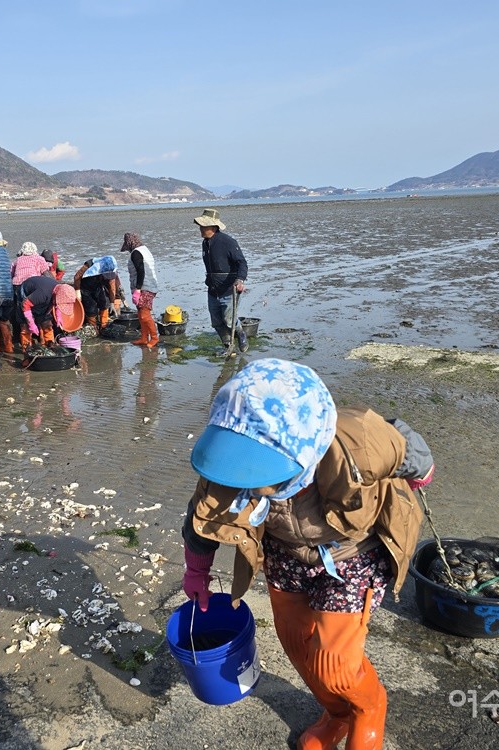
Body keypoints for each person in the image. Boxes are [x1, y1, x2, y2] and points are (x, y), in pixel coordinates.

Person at [181, 359, 434, 750]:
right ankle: (335, 714)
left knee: (334, 664)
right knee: (296, 643)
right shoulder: (229, 462)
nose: (243, 475)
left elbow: (407, 446)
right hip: (284, 552)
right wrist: (196, 573)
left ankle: (369, 710)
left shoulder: (359, 444)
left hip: (353, 553)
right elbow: (201, 513)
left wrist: (420, 472)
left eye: (258, 467)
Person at [194, 208, 249, 352]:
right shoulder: (205, 243)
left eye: (202, 226)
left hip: (228, 289)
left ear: (212, 227)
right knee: (216, 322)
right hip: (213, 289)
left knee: (229, 321)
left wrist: (240, 280)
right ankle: (227, 345)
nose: (200, 228)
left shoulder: (228, 242)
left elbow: (242, 263)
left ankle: (241, 334)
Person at [20, 275, 82, 350]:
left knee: (47, 324)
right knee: (25, 327)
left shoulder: (59, 291)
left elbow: (58, 303)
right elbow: (25, 304)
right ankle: (26, 352)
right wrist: (31, 324)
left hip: (43, 297)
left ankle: (50, 348)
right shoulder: (43, 294)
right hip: (26, 294)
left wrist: (58, 316)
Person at [122, 232, 159, 348]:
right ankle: (144, 338)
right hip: (148, 285)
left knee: (144, 315)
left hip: (145, 287)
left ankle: (154, 338)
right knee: (140, 313)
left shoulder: (136, 253)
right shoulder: (144, 250)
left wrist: (138, 289)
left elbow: (141, 271)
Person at [73, 256, 120, 331]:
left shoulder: (112, 270)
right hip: (86, 287)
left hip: (98, 287)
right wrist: (77, 291)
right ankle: (93, 328)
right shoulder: (90, 264)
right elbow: (77, 277)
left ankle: (104, 326)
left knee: (104, 304)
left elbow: (112, 287)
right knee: (91, 309)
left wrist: (112, 302)